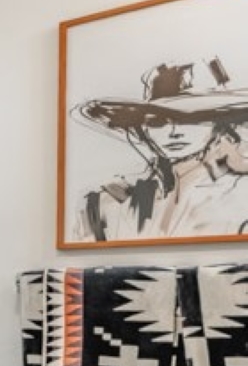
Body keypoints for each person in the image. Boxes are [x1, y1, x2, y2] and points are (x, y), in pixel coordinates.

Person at [74, 58, 248, 242]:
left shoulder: (238, 196)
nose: (174, 132)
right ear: (142, 130)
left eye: (191, 120)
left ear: (219, 125)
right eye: (158, 122)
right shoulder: (108, 203)